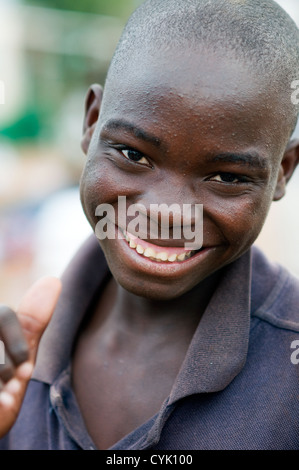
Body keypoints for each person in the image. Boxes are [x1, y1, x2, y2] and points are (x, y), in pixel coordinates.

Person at [0, 0, 299, 450]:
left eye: (227, 178)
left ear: (282, 171)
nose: (167, 212)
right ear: (92, 122)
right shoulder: (19, 350)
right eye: (134, 155)